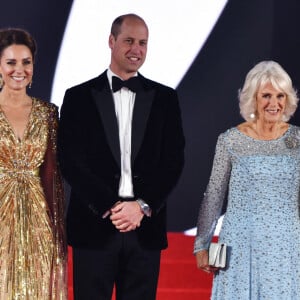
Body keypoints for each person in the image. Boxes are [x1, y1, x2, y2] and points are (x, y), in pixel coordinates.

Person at [58, 13, 185, 300]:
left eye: (142, 43)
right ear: (111, 41)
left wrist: (140, 206)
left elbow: (173, 161)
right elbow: (71, 160)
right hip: (95, 226)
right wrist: (110, 206)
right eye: (129, 41)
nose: (136, 49)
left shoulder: (166, 99)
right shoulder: (78, 96)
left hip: (145, 229)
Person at [194, 60, 300, 299]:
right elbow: (214, 193)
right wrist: (201, 245)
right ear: (253, 98)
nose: (274, 104)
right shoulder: (231, 140)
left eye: (280, 96)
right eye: (266, 96)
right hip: (239, 245)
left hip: (286, 247)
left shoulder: (298, 141)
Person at [0, 28, 67, 299]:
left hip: (38, 222)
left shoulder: (47, 113)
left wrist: (56, 230)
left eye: (26, 62)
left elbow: (50, 174)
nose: (20, 69)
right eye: (11, 62)